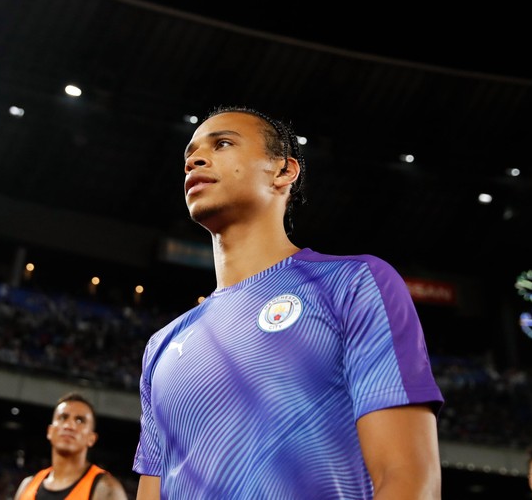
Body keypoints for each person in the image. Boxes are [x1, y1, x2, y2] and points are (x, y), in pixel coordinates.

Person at [133, 105, 445, 499]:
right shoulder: (161, 346)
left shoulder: (353, 284)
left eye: (223, 143)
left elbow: (408, 481)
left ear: (283, 171)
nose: (194, 160)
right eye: (189, 155)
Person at [15, 392, 129, 500]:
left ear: (91, 438)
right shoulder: (27, 485)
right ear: (50, 431)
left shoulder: (106, 488)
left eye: (80, 420)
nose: (69, 426)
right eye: (63, 417)